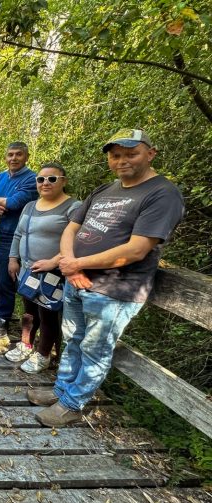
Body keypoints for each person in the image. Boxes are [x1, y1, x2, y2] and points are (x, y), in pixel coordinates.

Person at [27, 128, 184, 427]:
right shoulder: (104, 190)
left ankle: (73, 404)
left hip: (114, 289)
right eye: (116, 155)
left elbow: (137, 249)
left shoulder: (163, 194)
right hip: (77, 280)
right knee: (72, 338)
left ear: (150, 154)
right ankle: (62, 391)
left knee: (95, 346)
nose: (122, 161)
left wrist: (75, 264)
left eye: (130, 154)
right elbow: (72, 228)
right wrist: (71, 265)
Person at [7, 163, 82, 373]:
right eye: (41, 179)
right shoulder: (30, 206)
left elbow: (77, 240)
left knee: (47, 313)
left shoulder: (73, 207)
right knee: (29, 311)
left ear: (63, 181)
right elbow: (19, 234)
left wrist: (53, 261)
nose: (45, 183)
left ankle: (43, 354)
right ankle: (25, 344)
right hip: (28, 270)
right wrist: (13, 258)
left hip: (52, 272)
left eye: (52, 179)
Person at [0, 141, 38, 333]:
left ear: (26, 156)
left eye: (18, 154)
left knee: (6, 279)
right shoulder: (0, 177)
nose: (13, 158)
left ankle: (3, 317)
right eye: (10, 154)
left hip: (13, 235)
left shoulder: (32, 179)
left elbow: (14, 202)